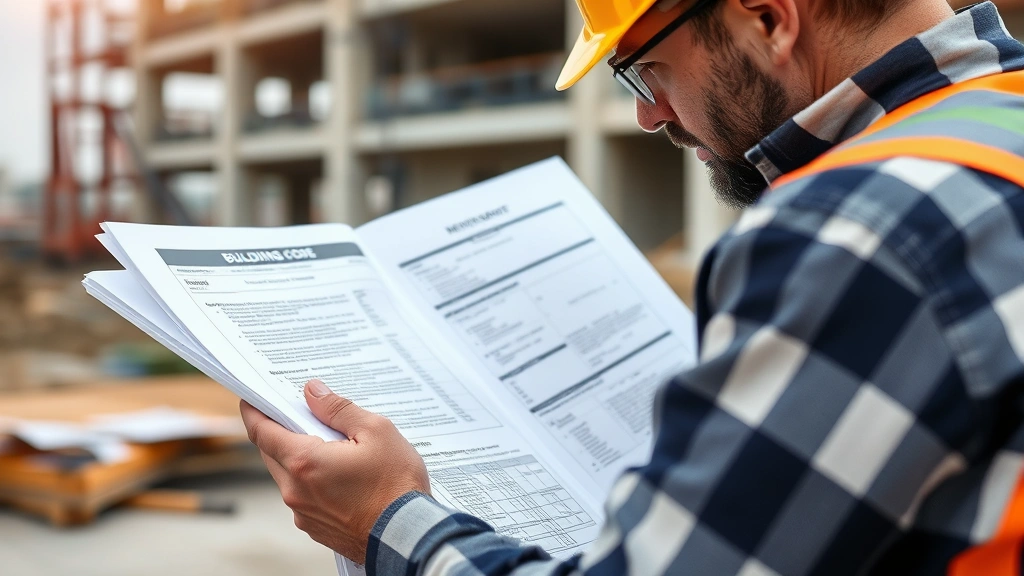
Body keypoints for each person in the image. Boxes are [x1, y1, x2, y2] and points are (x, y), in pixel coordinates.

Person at [239, 0, 1024, 573]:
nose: (650, 116)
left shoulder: (855, 230)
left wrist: (386, 520)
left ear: (769, 18)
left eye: (647, 68)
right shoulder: (998, 121)